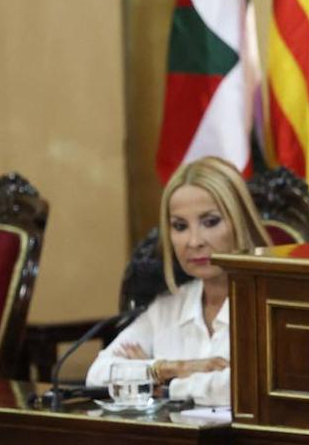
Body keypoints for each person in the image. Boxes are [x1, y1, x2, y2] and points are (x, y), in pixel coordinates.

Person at [87, 157, 271, 405]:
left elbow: (246, 388)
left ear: (241, 223)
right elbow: (98, 375)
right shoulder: (167, 307)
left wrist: (165, 387)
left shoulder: (273, 306)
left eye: (210, 222)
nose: (194, 241)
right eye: (180, 226)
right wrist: (167, 368)